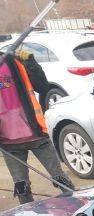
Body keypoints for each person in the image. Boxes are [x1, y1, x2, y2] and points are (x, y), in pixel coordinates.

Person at [0, 48, 74, 204]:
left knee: (61, 179)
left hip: (35, 134)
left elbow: (42, 86)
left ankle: (80, 210)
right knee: (21, 187)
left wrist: (31, 63)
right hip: (8, 141)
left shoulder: (14, 60)